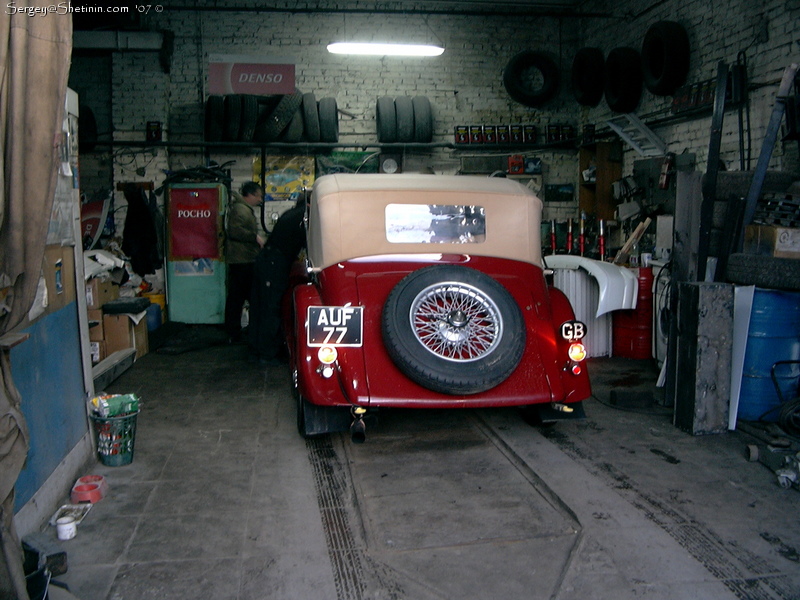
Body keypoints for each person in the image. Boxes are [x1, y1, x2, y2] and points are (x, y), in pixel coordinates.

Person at [248, 194, 307, 363]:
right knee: (271, 307)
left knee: (260, 306)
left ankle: (255, 351)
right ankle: (267, 354)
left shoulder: (291, 213)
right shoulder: (304, 216)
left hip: (267, 260)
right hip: (275, 263)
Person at [224, 181, 265, 343]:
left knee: (238, 297)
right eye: (259, 196)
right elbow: (234, 231)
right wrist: (254, 237)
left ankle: (236, 331)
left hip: (243, 259)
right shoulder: (240, 209)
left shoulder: (242, 209)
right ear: (251, 195)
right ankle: (235, 332)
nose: (260, 200)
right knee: (240, 297)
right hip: (242, 261)